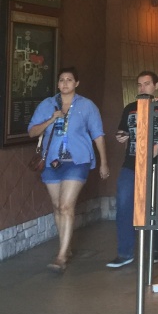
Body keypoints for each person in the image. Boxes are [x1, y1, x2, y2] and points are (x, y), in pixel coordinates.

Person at [28, 66, 109, 273]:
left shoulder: (87, 105)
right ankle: (66, 246)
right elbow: (32, 131)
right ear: (57, 84)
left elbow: (98, 134)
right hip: (52, 161)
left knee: (66, 206)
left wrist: (104, 162)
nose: (65, 83)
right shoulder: (47, 104)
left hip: (77, 161)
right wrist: (51, 119)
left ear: (76, 83)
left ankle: (62, 255)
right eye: (62, 80)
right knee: (57, 207)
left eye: (69, 80)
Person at [107, 71, 158, 269]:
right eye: (139, 84)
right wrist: (121, 136)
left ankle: (155, 248)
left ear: (156, 86)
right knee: (124, 204)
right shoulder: (130, 108)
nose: (142, 88)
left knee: (156, 207)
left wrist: (157, 148)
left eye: (147, 84)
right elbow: (123, 131)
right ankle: (125, 252)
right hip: (131, 163)